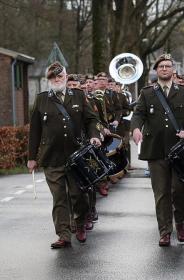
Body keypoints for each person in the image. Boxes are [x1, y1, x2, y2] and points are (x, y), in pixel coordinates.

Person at [27, 62, 101, 248]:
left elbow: (91, 119)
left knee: (78, 195)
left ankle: (81, 223)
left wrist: (94, 136)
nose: (56, 80)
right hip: (52, 157)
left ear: (66, 77)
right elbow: (34, 130)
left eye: (59, 77)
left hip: (76, 156)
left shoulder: (78, 95)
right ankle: (64, 235)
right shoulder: (42, 99)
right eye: (53, 78)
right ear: (48, 80)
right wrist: (31, 157)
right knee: (59, 198)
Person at [131, 54, 184, 247]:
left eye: (168, 66)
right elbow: (138, 115)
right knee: (161, 193)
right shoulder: (147, 93)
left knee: (179, 190)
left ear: (173, 70)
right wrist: (136, 128)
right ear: (156, 70)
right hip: (156, 149)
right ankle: (165, 231)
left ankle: (180, 221)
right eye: (161, 66)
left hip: (179, 151)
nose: (165, 69)